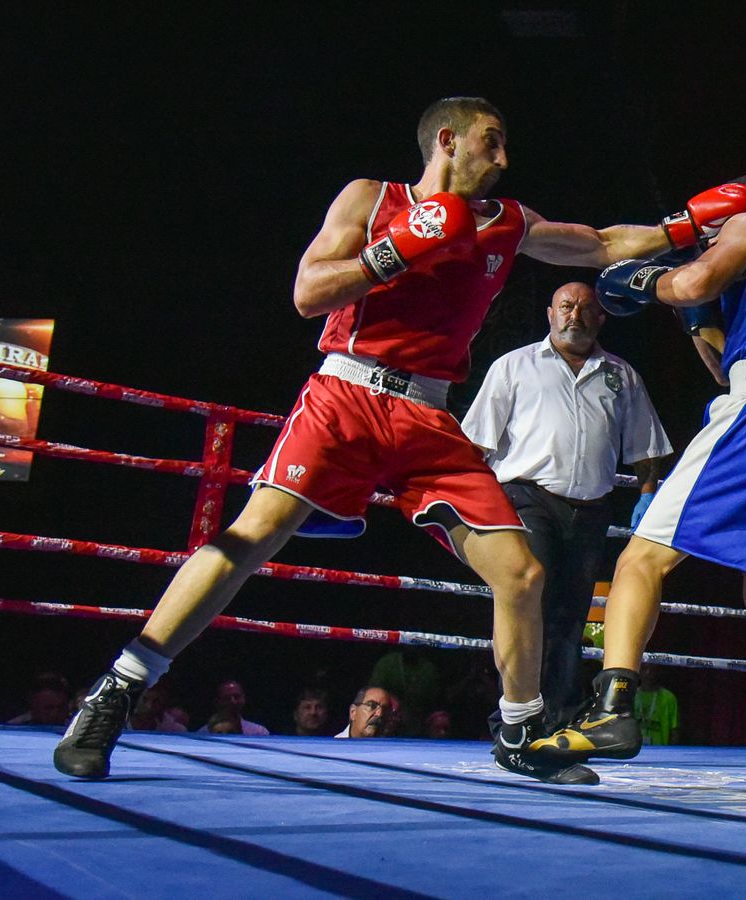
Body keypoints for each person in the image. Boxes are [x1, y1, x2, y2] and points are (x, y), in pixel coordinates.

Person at [54, 97, 677, 785]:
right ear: (448, 140)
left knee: (522, 573)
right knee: (251, 536)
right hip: (348, 392)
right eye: (491, 141)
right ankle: (117, 690)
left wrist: (689, 226)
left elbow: (602, 244)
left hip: (429, 414)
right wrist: (398, 248)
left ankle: (520, 729)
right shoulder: (372, 199)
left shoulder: (508, 222)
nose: (504, 159)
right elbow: (308, 292)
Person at [531, 175, 746, 791]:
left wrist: (651, 282)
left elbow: (693, 283)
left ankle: (613, 711)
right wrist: (695, 319)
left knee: (640, 560)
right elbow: (727, 366)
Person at [460, 281, 672, 726]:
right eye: (566, 306)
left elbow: (646, 445)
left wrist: (648, 494)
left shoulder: (621, 375)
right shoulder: (514, 365)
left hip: (592, 509)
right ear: (550, 313)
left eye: (585, 308)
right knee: (529, 606)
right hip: (526, 499)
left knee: (571, 618)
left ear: (601, 318)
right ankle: (514, 721)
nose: (574, 315)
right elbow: (475, 442)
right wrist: (476, 504)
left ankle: (557, 721)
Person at [197, 679, 270, 736]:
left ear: (244, 699)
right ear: (217, 702)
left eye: (237, 697)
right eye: (227, 698)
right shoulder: (203, 734)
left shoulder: (259, 732)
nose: (233, 702)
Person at [633, 665, 679, 746]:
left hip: (660, 750)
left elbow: (674, 730)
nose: (648, 673)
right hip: (634, 749)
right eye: (644, 668)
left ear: (658, 671)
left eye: (652, 669)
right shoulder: (631, 696)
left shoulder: (668, 697)